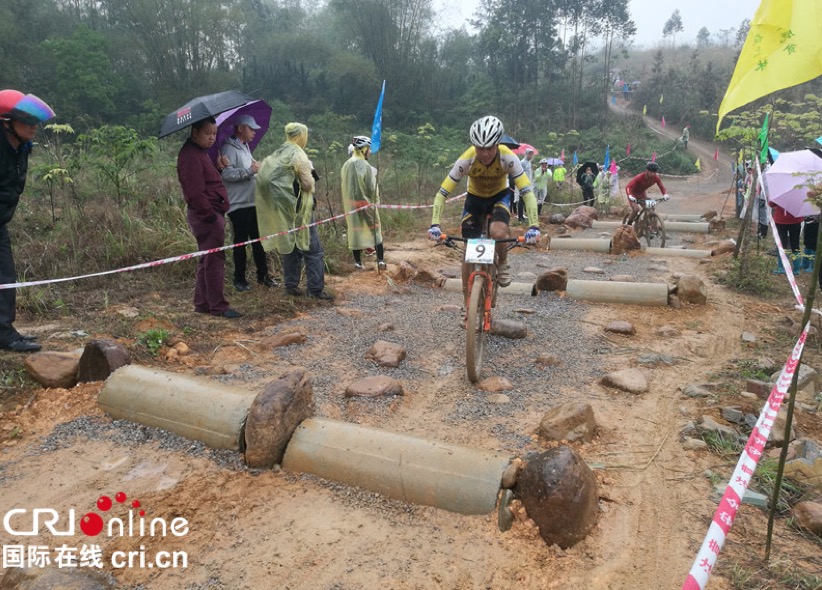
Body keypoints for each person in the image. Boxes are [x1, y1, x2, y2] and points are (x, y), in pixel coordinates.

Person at [427, 115, 540, 293]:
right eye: (480, 148)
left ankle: (502, 262)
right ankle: (467, 306)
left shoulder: (508, 158)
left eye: (489, 148)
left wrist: (534, 226)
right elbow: (441, 194)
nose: (485, 153)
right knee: (468, 257)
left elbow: (527, 192)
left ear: (497, 144)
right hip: (475, 200)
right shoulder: (466, 159)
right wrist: (435, 224)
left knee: (498, 232)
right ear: (474, 146)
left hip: (499, 197)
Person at [0, 91, 56, 352]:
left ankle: (4, 334)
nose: (34, 127)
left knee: (5, 276)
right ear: (6, 121)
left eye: (36, 122)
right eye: (28, 121)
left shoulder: (21, 147)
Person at [255, 122, 333, 300]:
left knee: (290, 246)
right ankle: (315, 290)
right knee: (313, 250)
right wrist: (312, 181)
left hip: (284, 209)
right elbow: (307, 183)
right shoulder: (299, 154)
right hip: (300, 208)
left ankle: (291, 286)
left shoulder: (279, 152)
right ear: (301, 136)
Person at [177, 117, 241, 318]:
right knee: (214, 261)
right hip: (207, 216)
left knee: (207, 259)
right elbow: (195, 193)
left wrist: (219, 168)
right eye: (207, 134)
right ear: (195, 132)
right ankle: (218, 306)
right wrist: (211, 216)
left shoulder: (199, 153)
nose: (212, 138)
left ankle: (202, 303)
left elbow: (208, 182)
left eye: (214, 133)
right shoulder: (190, 156)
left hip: (212, 213)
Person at [220, 115, 278, 292]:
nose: (254, 132)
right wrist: (250, 170)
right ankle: (239, 279)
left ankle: (263, 276)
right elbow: (227, 175)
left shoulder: (245, 147)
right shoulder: (229, 148)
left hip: (252, 202)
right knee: (240, 242)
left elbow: (249, 170)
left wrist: (257, 169)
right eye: (251, 128)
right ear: (240, 128)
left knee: (258, 241)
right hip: (239, 205)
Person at [341, 135, 385, 270]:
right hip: (366, 204)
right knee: (375, 228)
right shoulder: (364, 165)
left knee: (355, 231)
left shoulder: (347, 164)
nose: (370, 152)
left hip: (351, 204)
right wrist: (375, 201)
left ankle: (358, 263)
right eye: (369, 149)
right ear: (363, 149)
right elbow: (371, 187)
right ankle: (381, 260)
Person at [768, 201, 803, 275]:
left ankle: (782, 267)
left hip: (781, 220)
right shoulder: (799, 190)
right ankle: (796, 269)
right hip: (796, 219)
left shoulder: (780, 191)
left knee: (781, 245)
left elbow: (771, 204)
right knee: (795, 245)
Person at [516, 148, 535, 222]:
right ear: (526, 154)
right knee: (521, 200)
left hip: (527, 184)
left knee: (524, 200)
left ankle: (522, 216)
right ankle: (520, 217)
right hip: (522, 183)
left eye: (531, 154)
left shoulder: (529, 162)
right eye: (529, 154)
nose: (530, 155)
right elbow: (519, 172)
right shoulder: (522, 162)